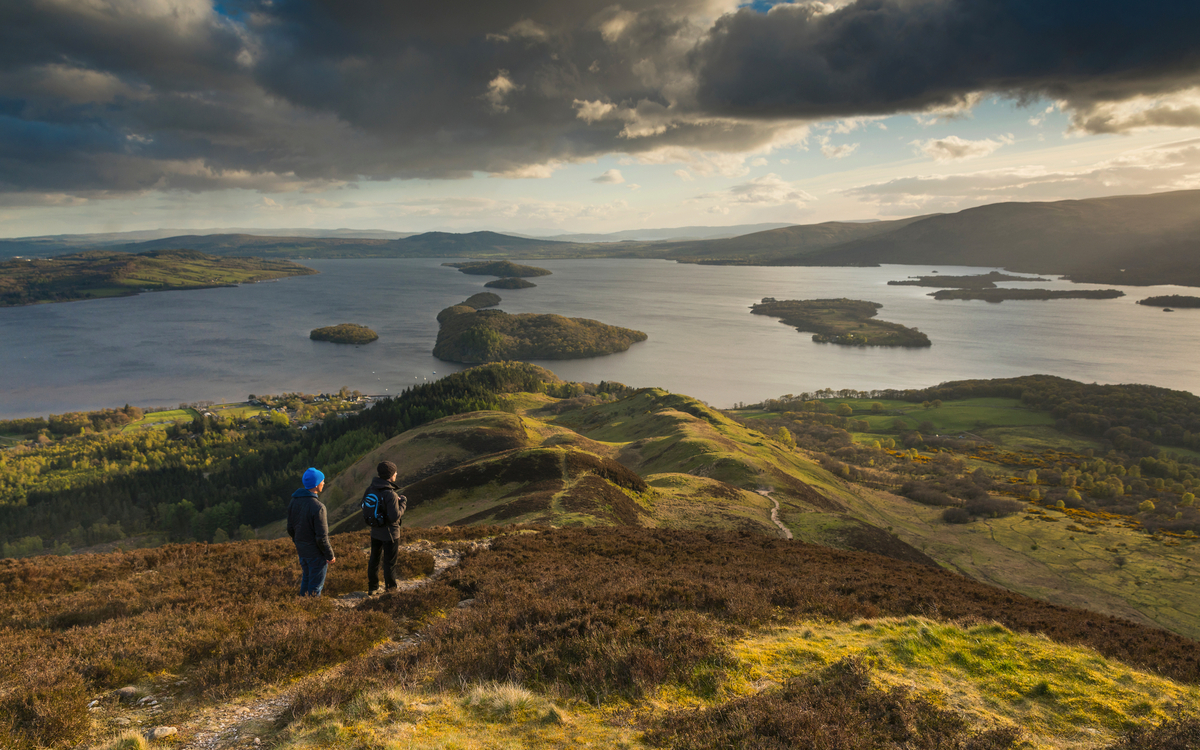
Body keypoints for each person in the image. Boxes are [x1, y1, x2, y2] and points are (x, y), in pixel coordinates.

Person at [287, 467, 336, 596]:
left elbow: (290, 528)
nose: (324, 483)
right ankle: (312, 607)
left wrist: (299, 542)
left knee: (307, 579)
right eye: (322, 481)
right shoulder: (318, 507)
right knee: (315, 586)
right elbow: (322, 537)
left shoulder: (294, 501)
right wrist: (330, 555)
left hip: (302, 550)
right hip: (315, 553)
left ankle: (302, 605)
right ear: (316, 484)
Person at [366, 460, 407, 594]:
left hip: (375, 531)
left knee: (374, 560)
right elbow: (394, 516)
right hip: (391, 534)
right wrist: (403, 503)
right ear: (390, 475)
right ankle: (391, 590)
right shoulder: (390, 493)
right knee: (389, 563)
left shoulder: (371, 489)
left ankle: (373, 587)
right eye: (395, 473)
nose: (396, 474)